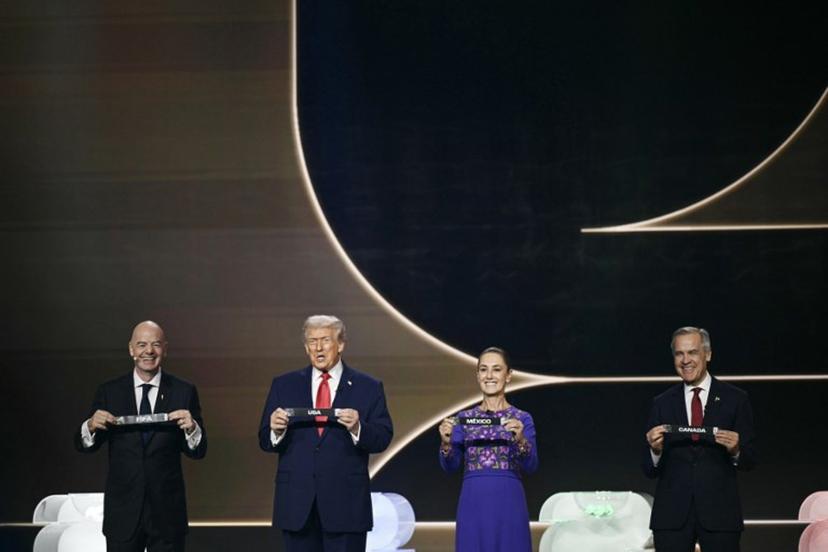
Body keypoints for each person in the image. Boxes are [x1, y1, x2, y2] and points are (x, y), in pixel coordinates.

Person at [258, 315, 393, 552]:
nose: (318, 348)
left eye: (325, 341)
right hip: (297, 506)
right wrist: (275, 430)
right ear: (305, 347)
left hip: (346, 507)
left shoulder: (368, 387)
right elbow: (265, 440)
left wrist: (357, 427)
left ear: (340, 344)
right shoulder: (284, 385)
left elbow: (382, 437)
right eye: (312, 341)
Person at [74, 320, 207, 552]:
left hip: (167, 516)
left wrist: (192, 428)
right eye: (142, 344)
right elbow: (84, 445)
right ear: (131, 349)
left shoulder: (183, 391)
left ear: (165, 349)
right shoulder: (110, 391)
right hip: (123, 514)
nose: (149, 351)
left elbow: (198, 451)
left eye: (155, 344)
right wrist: (90, 426)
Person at [642, 327, 757, 552]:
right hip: (672, 519)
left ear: (708, 354)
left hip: (720, 515)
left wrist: (736, 450)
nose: (686, 360)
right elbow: (647, 469)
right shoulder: (661, 403)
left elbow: (751, 460)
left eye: (692, 352)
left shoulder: (736, 399)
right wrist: (655, 451)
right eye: (679, 354)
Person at [438, 347, 539, 552]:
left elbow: (531, 465)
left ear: (508, 375)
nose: (489, 376)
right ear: (477, 376)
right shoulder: (463, 419)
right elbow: (450, 466)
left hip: (509, 504)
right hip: (473, 503)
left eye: (496, 369)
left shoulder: (522, 418)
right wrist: (446, 443)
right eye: (483, 370)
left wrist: (520, 440)